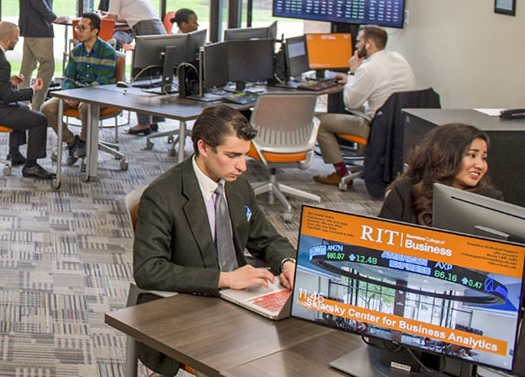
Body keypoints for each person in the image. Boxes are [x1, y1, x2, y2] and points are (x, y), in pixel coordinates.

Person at [132, 105, 297, 376]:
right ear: (204, 147)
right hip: (193, 304)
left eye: (245, 155)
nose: (243, 167)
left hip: (241, 299)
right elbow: (148, 270)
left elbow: (266, 238)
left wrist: (288, 263)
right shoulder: (162, 195)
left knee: (299, 344)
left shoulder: (236, 184)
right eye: (232, 156)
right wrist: (225, 279)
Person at [314, 25, 417, 186]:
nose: (356, 46)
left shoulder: (368, 69)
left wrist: (353, 72)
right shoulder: (398, 58)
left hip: (378, 129)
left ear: (368, 44)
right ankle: (368, 164)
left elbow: (351, 103)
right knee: (368, 109)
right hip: (402, 127)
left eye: (358, 41)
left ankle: (341, 174)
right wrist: (352, 80)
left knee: (319, 122)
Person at [0, 22, 55, 180]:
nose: (18, 41)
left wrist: (9, 82)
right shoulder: (1, 61)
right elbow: (7, 97)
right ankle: (31, 166)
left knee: (23, 109)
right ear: (7, 40)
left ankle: (14, 154)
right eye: (15, 38)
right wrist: (33, 90)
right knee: (39, 119)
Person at [379, 123, 502, 225]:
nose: (480, 165)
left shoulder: (491, 200)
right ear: (446, 155)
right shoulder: (404, 191)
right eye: (472, 155)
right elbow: (380, 243)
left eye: (484, 158)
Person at [40, 13, 118, 165]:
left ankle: (83, 140)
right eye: (77, 28)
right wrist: (70, 93)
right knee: (46, 107)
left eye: (83, 28)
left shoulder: (107, 52)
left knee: (85, 106)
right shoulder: (76, 51)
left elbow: (102, 82)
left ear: (95, 31)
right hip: (76, 94)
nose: (78, 31)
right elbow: (68, 78)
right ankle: (72, 142)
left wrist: (78, 97)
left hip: (101, 95)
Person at [107, 0, 166, 134]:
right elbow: (132, 16)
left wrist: (103, 20)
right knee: (156, 76)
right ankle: (155, 119)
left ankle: (143, 123)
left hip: (146, 32)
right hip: (158, 29)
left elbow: (111, 18)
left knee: (140, 78)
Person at [16, 0, 68, 111]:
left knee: (27, 68)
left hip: (29, 27)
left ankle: (21, 106)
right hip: (39, 29)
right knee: (47, 67)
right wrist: (53, 18)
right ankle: (37, 107)